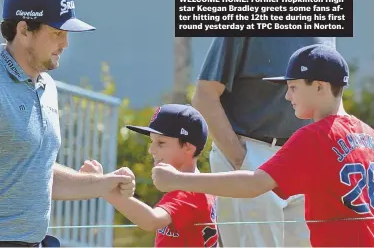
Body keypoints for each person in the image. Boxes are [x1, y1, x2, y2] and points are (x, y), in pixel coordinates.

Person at [0, 0, 135, 247]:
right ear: (24, 30)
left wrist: (102, 183)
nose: (65, 43)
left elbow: (35, 172)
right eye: (56, 33)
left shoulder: (46, 85)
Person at [153, 44, 374, 247]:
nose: (287, 96)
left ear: (318, 86)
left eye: (293, 87)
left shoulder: (314, 136)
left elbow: (254, 184)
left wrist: (178, 180)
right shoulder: (368, 134)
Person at [190, 0, 332, 246]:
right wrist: (242, 160)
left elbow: (329, 96)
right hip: (252, 153)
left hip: (306, 156)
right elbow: (204, 95)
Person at [80, 104, 220, 247]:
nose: (151, 150)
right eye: (152, 141)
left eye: (161, 143)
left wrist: (104, 188)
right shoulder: (199, 188)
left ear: (188, 147)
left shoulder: (188, 192)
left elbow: (151, 220)